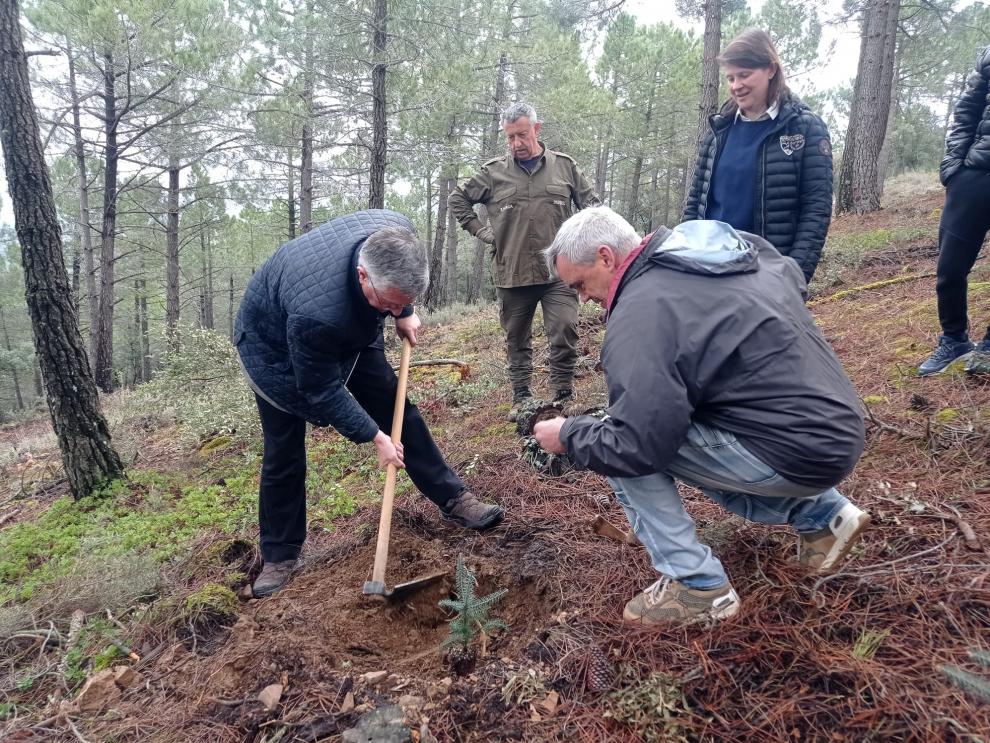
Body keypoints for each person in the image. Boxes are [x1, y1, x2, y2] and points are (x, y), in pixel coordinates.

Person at [533, 207, 870, 627]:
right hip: (836, 428)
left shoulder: (642, 312)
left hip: (793, 451)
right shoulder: (719, 253)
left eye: (580, 285)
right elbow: (789, 280)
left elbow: (635, 445)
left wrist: (569, 433)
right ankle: (823, 517)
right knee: (652, 426)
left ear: (606, 256)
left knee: (611, 441)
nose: (582, 298)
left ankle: (696, 586)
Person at [235, 210, 503, 598]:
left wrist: (404, 311)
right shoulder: (319, 317)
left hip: (347, 325)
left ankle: (454, 498)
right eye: (389, 304)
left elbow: (393, 294)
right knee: (284, 452)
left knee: (398, 408)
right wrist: (376, 437)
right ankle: (280, 554)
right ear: (363, 275)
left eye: (403, 302)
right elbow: (321, 389)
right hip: (273, 352)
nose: (394, 311)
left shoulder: (397, 232)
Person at [449, 102, 601, 419]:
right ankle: (522, 398)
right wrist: (481, 231)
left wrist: (583, 245)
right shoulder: (493, 173)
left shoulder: (564, 167)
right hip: (513, 272)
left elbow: (593, 208)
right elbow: (458, 199)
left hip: (559, 273)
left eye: (521, 135)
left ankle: (563, 395)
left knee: (564, 330)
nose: (516, 143)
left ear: (536, 129)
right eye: (510, 137)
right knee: (516, 339)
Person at [683, 28, 833, 283]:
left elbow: (816, 210)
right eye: (730, 78)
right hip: (710, 271)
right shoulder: (718, 131)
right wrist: (685, 258)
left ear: (771, 69)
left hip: (768, 276)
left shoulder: (805, 128)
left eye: (744, 75)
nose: (736, 86)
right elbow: (695, 202)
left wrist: (793, 276)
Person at [917, 44, 990, 376]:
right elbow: (967, 110)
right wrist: (954, 168)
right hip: (973, 174)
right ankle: (954, 340)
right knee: (950, 266)